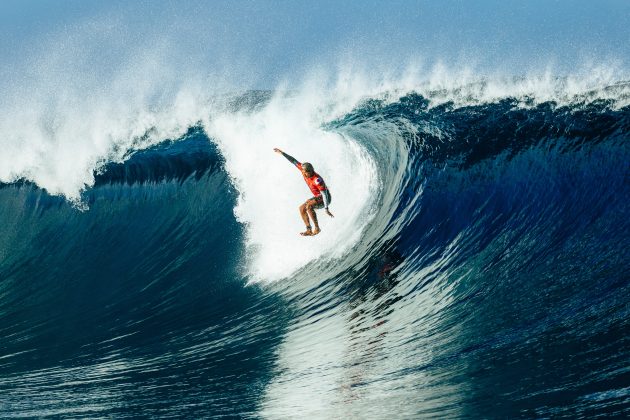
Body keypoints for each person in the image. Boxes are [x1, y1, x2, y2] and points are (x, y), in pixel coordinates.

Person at [273, 148, 334, 236]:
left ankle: (317, 228)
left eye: (305, 173)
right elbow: (293, 160)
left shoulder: (317, 180)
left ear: (310, 171)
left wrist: (326, 208)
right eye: (303, 172)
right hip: (317, 197)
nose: (303, 174)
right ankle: (309, 230)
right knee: (301, 208)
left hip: (325, 199)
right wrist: (282, 153)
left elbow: (324, 195)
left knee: (309, 206)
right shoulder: (303, 169)